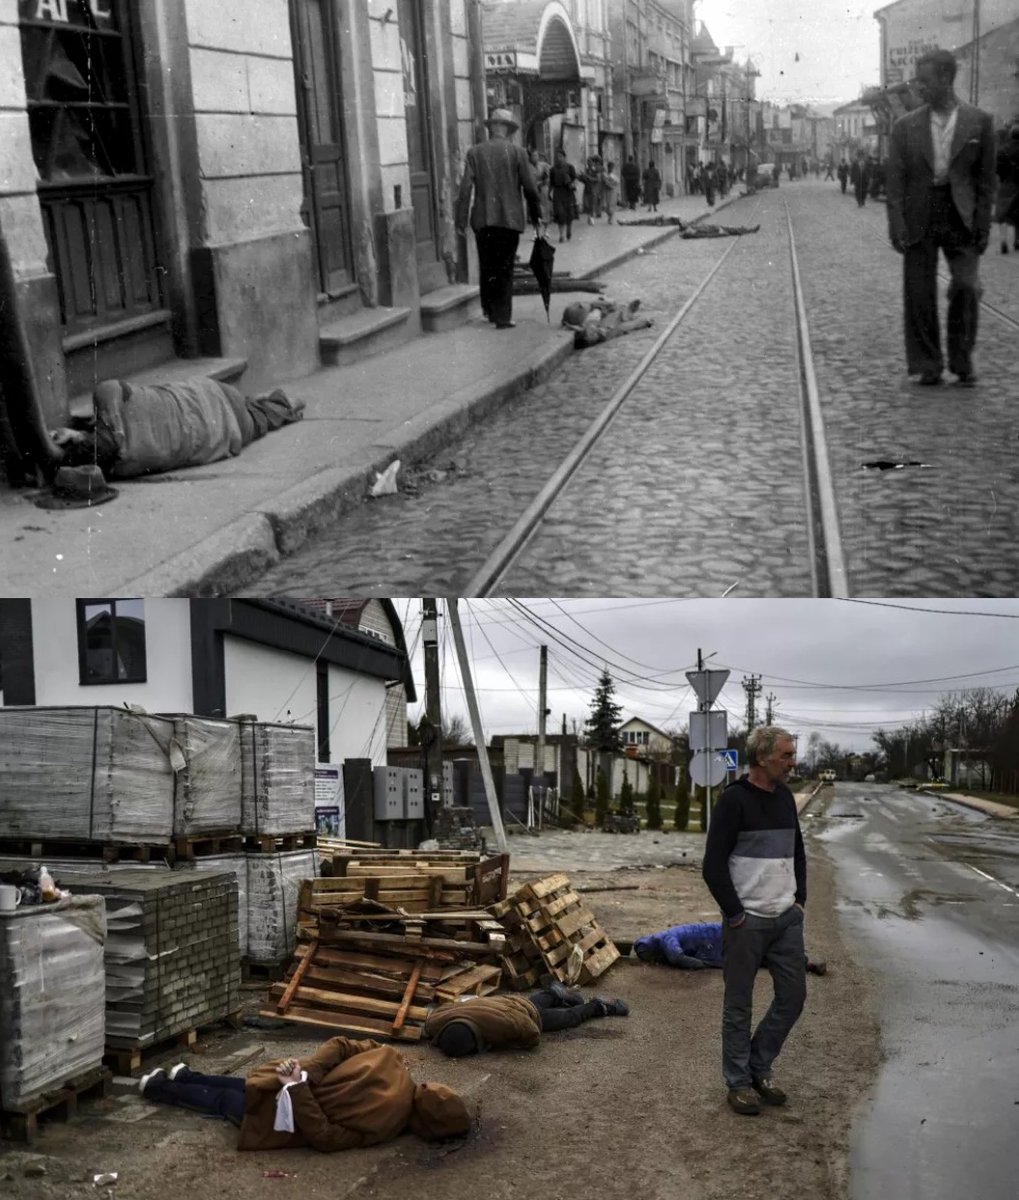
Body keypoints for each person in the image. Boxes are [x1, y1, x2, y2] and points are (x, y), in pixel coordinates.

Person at [701, 725, 807, 1117]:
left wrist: (800, 901)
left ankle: (759, 1067)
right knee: (738, 1004)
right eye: (786, 755)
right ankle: (739, 1082)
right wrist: (736, 914)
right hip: (747, 921)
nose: (792, 762)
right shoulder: (733, 801)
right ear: (762, 757)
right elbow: (712, 866)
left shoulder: (785, 799)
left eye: (792, 754)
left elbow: (798, 852)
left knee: (793, 997)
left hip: (786, 919)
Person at [138, 1038, 471, 1151]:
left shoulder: (391, 1059)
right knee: (228, 1101)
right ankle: (160, 1088)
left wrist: (308, 1072)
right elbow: (325, 1138)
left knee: (244, 1086)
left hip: (291, 1088)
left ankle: (180, 1078)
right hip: (290, 1111)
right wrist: (300, 1081)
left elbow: (341, 1044)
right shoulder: (387, 1125)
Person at [885, 48, 996, 387]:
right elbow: (895, 182)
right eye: (917, 80)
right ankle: (928, 363)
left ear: (946, 79)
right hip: (920, 211)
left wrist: (982, 225)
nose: (919, 87)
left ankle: (962, 360)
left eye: (925, 80)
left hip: (959, 213)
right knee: (919, 292)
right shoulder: (905, 127)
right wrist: (897, 224)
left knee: (965, 285)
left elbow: (985, 181)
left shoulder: (979, 122)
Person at [51, 378, 304, 480]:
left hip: (226, 425)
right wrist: (84, 435)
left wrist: (80, 440)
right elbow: (113, 432)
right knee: (252, 409)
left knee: (262, 416)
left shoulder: (125, 465)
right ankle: (275, 403)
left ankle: (282, 405)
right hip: (209, 393)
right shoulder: (114, 397)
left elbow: (110, 445)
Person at [455, 108, 542, 330]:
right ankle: (502, 317)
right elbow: (531, 188)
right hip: (509, 220)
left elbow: (465, 189)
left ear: (492, 128)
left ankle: (489, 310)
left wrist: (460, 221)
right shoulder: (517, 152)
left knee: (487, 265)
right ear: (507, 129)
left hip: (483, 219)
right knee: (504, 267)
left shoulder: (475, 152)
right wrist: (537, 215)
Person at [424, 983, 629, 1056]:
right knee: (533, 1001)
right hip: (508, 1000)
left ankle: (598, 1006)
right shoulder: (436, 1021)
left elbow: (532, 1033)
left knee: (569, 1017)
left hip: (526, 1014)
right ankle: (554, 993)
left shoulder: (503, 1024)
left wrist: (512, 1044)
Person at [634, 921, 827, 975]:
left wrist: (701, 965)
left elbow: (678, 958)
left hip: (717, 940)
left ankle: (806, 962)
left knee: (761, 951)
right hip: (717, 939)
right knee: (759, 954)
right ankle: (806, 963)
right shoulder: (669, 935)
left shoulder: (667, 937)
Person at [994, 119, 1019, 253]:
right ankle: (1017, 240)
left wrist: (1003, 177)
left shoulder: (1003, 150)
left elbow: (997, 168)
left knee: (1002, 214)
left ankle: (1003, 241)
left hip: (1007, 185)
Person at [548, 147, 577, 243]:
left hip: (568, 193)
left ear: (564, 157)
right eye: (557, 157)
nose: (558, 158)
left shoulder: (570, 167)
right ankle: (561, 235)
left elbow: (575, 180)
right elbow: (551, 183)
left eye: (560, 156)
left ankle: (569, 228)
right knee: (560, 214)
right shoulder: (553, 169)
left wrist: (572, 184)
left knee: (569, 214)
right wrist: (549, 193)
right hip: (558, 193)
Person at [528, 148, 551, 224]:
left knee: (544, 204)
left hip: (542, 187)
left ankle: (545, 219)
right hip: (533, 188)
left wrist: (543, 181)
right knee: (534, 204)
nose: (535, 157)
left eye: (536, 155)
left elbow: (548, 175)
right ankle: (534, 218)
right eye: (533, 156)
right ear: (530, 157)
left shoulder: (543, 165)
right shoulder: (528, 167)